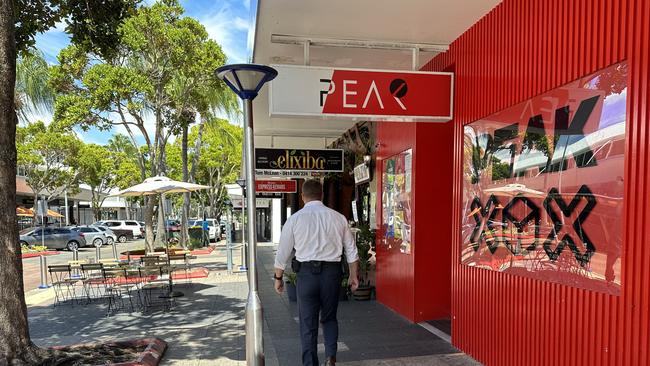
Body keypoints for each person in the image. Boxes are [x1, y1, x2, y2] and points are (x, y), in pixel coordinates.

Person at [274, 180, 359, 366]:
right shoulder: (338, 218)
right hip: (331, 274)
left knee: (307, 323)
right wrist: (354, 276)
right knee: (329, 317)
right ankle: (330, 357)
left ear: (303, 197)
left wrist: (278, 278)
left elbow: (282, 253)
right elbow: (351, 251)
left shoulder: (294, 219)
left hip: (306, 276)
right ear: (321, 195)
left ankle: (310, 363)